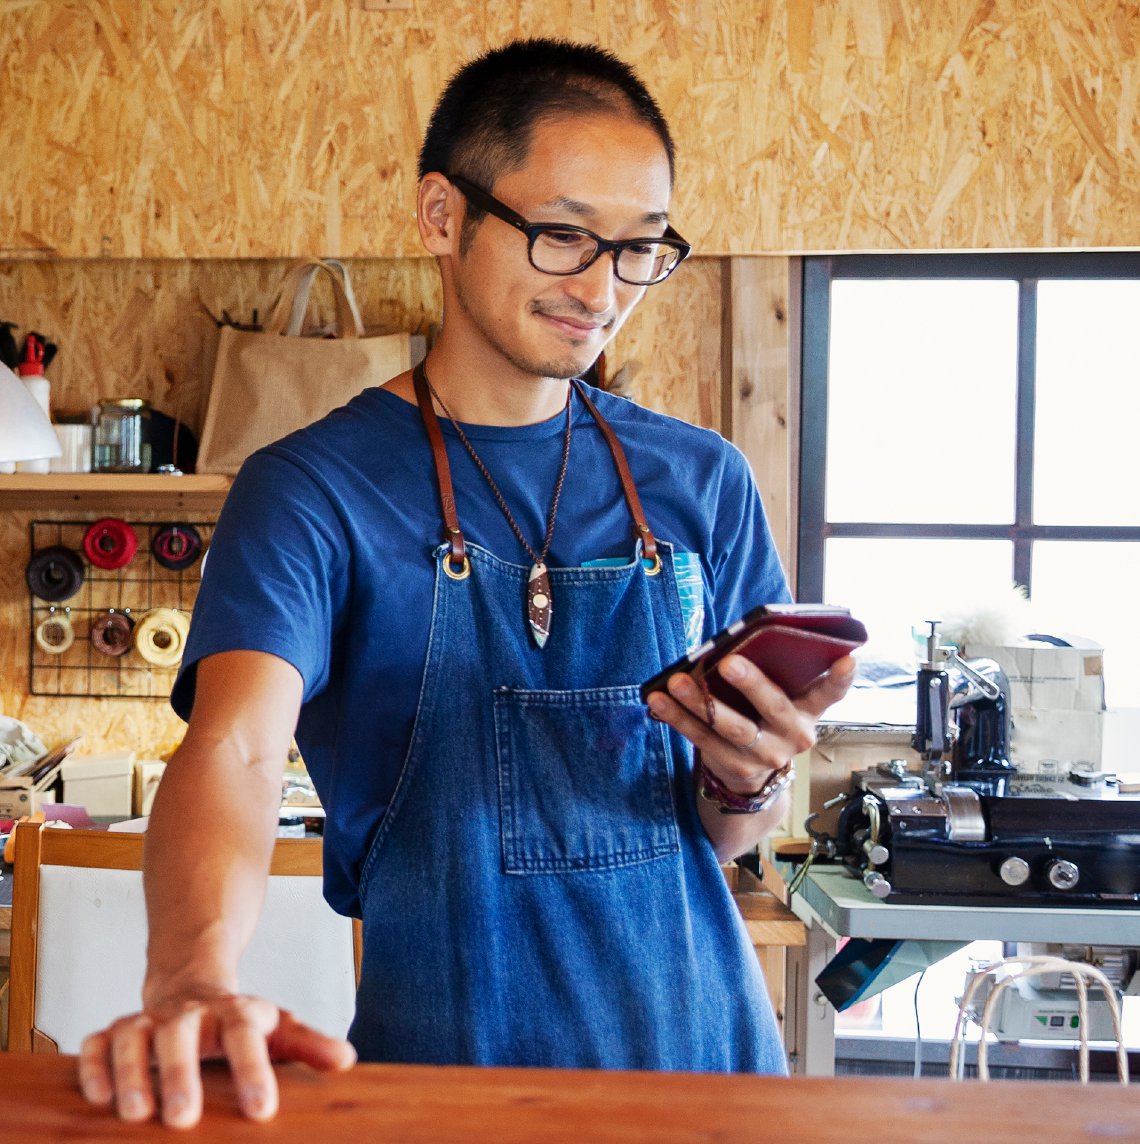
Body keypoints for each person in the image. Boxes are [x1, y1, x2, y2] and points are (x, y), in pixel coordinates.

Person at [78, 38, 854, 1128]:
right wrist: (194, 980)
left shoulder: (700, 482)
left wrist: (747, 781)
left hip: (707, 1074)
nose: (603, 289)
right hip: (443, 1086)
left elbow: (716, 835)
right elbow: (238, 748)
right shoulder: (312, 489)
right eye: (564, 235)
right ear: (443, 217)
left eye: (640, 249)